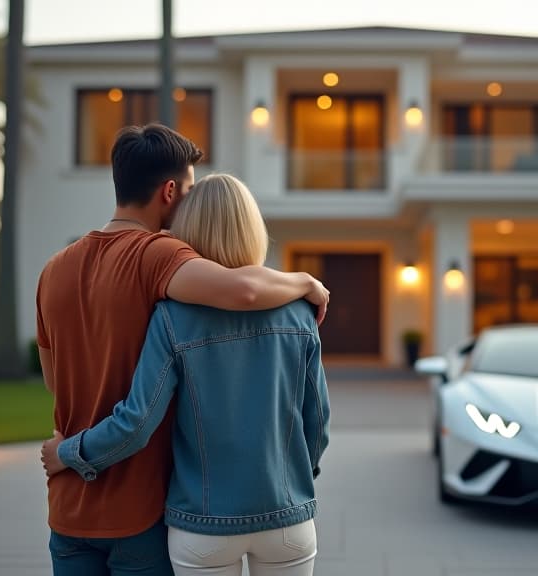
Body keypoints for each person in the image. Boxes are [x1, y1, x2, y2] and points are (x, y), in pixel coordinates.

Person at [37, 125, 329, 576]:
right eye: (189, 191)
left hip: (69, 507)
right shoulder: (158, 255)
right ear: (170, 190)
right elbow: (246, 289)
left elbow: (57, 385)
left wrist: (68, 452)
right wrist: (306, 283)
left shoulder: (52, 271)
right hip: (139, 511)